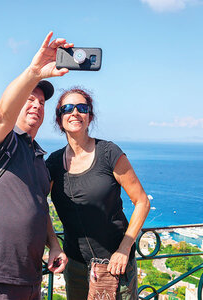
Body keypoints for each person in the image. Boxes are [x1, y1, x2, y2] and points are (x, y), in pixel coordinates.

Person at [0, 32, 70, 300]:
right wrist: (34, 72)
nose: (36, 105)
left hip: (31, 277)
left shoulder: (38, 157)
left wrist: (54, 245)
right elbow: (1, 114)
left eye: (41, 102)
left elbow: (39, 208)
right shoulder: (4, 142)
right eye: (29, 100)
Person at [46, 88, 151, 299]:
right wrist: (54, 245)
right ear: (60, 119)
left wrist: (124, 248)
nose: (75, 112)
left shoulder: (108, 153)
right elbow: (39, 208)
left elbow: (142, 202)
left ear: (89, 117)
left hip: (115, 266)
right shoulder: (53, 164)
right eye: (67, 109)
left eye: (82, 108)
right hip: (75, 266)